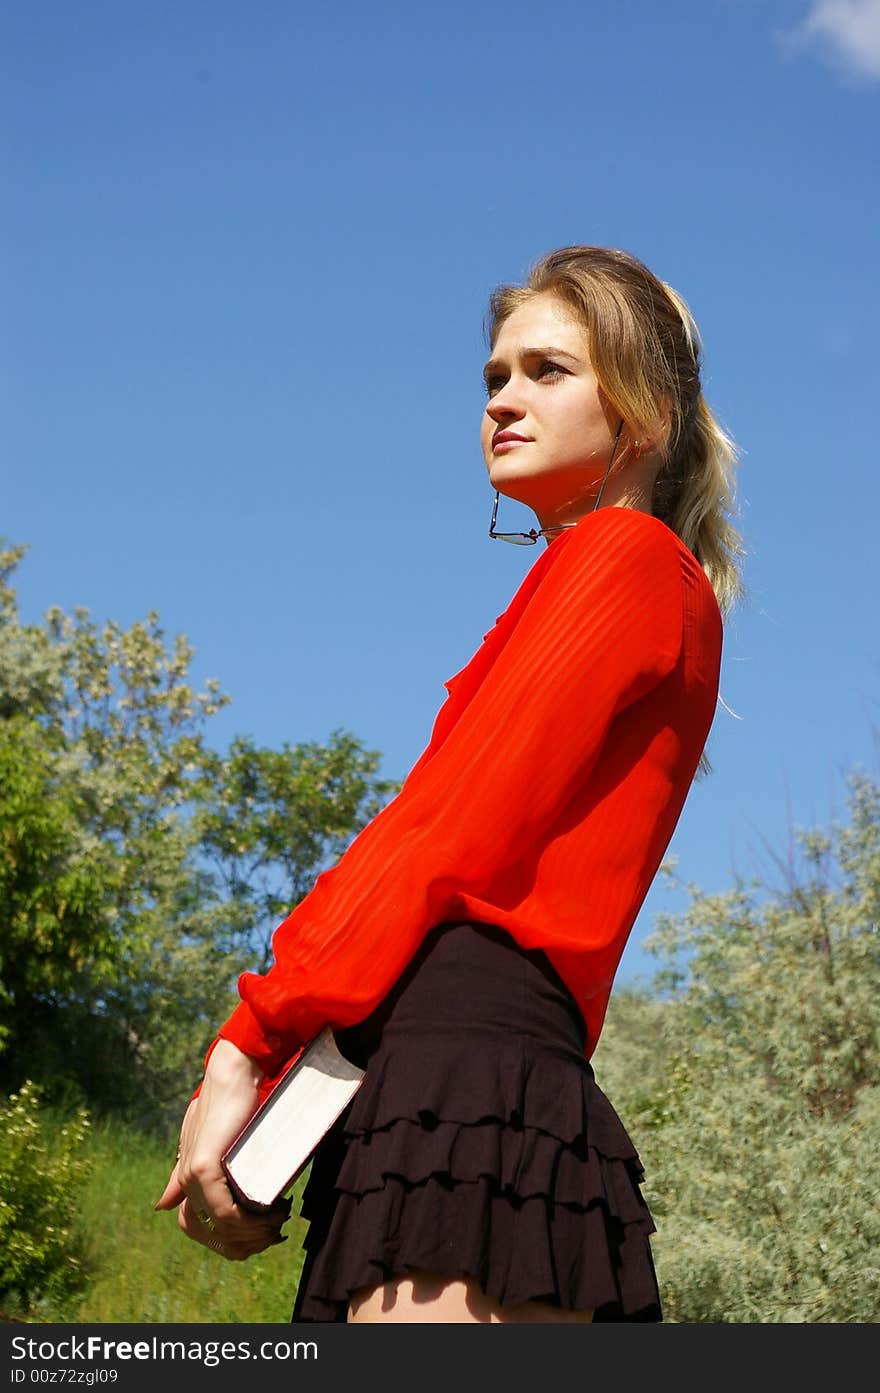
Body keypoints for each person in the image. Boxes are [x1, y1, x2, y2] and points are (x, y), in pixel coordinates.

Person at [155, 244, 745, 1323]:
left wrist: (249, 1036)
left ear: (645, 410)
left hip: (466, 1076)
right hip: (463, 1075)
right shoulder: (620, 578)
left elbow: (440, 831)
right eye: (493, 377)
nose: (504, 399)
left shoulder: (620, 556)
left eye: (546, 371)